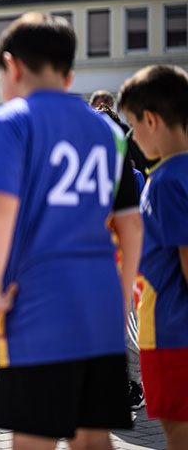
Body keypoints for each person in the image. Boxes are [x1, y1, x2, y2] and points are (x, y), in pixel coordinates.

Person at [0, 12, 142, 449]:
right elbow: (131, 225)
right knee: (93, 438)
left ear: (12, 66)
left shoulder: (12, 120)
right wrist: (120, 302)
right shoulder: (108, 130)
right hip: (101, 302)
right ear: (70, 72)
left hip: (38, 301)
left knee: (34, 439)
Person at [118, 65, 188, 449]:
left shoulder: (165, 183)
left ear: (151, 119)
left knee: (177, 432)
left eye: (132, 124)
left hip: (169, 333)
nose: (132, 136)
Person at [94, 103, 146, 411]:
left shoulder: (133, 176)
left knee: (125, 327)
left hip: (122, 264)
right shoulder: (82, 172)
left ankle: (135, 384)